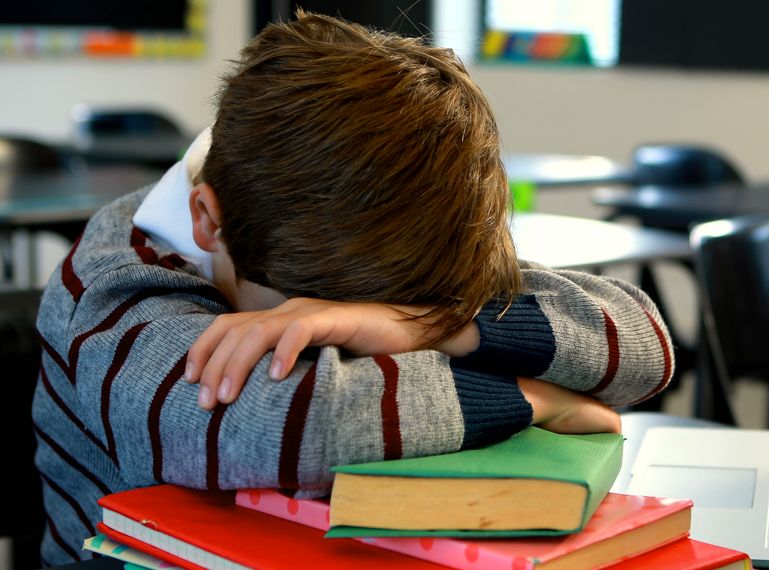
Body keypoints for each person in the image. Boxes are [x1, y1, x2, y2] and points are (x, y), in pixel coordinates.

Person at [32, 11, 673, 566]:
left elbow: (645, 342)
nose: (347, 352)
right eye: (299, 327)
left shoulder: (396, 229)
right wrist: (535, 399)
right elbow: (283, 423)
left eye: (359, 334)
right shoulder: (117, 276)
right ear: (208, 220)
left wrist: (432, 326)